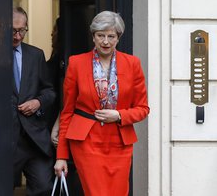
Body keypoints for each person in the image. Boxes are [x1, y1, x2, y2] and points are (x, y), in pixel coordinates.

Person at [54, 11, 150, 196]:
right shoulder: (76, 63)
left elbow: (143, 108)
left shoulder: (133, 64)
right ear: (93, 37)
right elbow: (67, 112)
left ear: (118, 37)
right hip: (87, 142)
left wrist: (120, 115)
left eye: (111, 36)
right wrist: (61, 156)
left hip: (120, 142)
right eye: (100, 36)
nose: (105, 41)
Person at [12, 7, 56, 195]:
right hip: (6, 139)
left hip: (35, 139)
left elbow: (50, 90)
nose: (18, 36)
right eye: (13, 30)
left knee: (43, 187)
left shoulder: (35, 55)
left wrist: (38, 102)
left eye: (22, 30)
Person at [46, 18, 84, 196]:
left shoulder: (68, 62)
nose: (52, 34)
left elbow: (68, 101)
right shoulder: (56, 59)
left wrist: (58, 122)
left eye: (55, 31)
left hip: (68, 122)